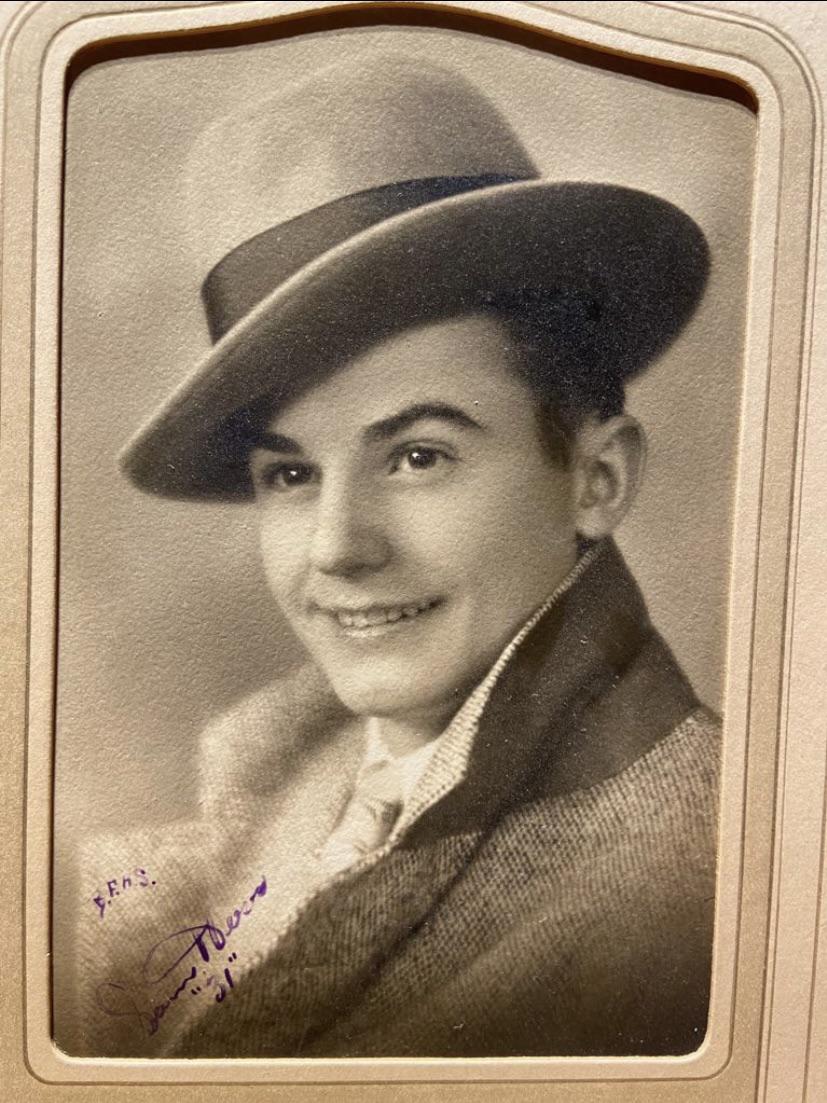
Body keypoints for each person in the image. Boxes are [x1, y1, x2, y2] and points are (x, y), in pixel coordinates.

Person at [71, 55, 720, 1059]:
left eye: (418, 454)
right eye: (289, 475)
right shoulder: (290, 769)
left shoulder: (693, 874)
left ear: (593, 478)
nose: (337, 545)